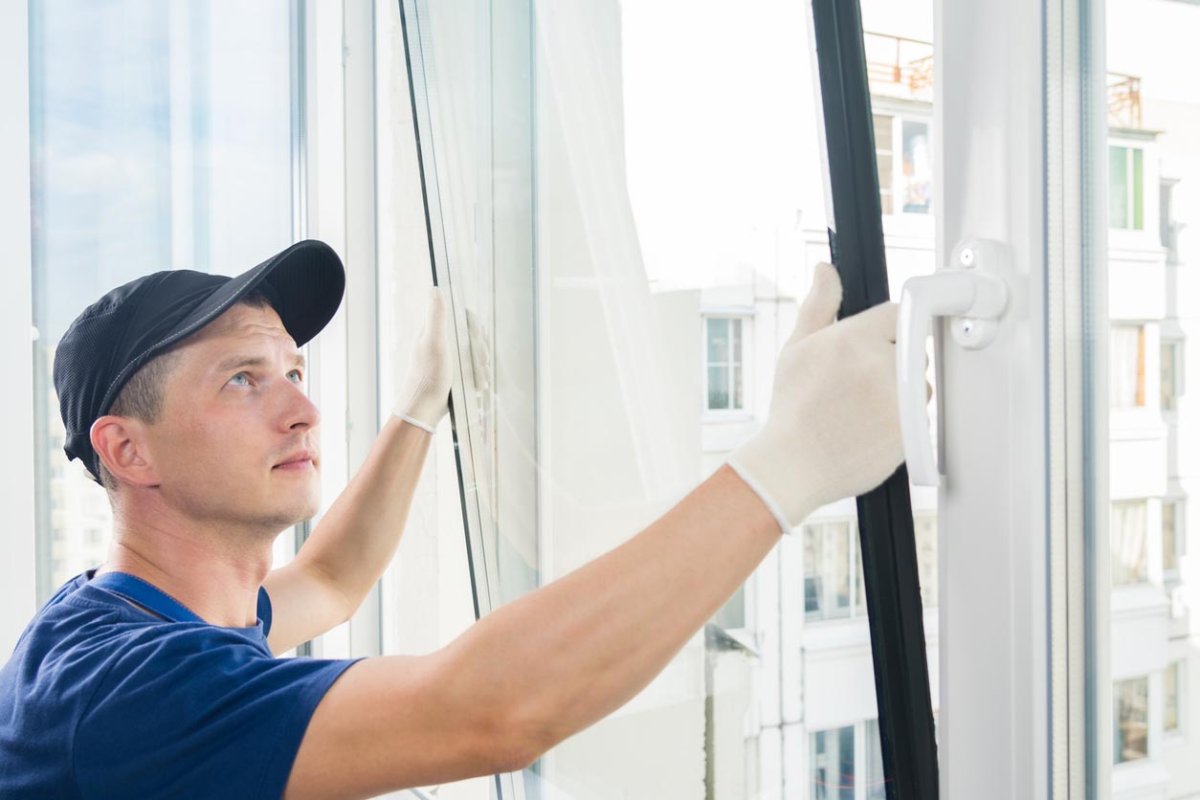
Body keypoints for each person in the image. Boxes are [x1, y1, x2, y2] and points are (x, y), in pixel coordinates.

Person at [0, 239, 902, 799]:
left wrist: (418, 409)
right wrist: (788, 463)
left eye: (295, 374)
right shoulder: (126, 693)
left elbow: (330, 578)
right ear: (128, 452)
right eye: (243, 380)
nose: (301, 411)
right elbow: (490, 712)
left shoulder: (139, 616)